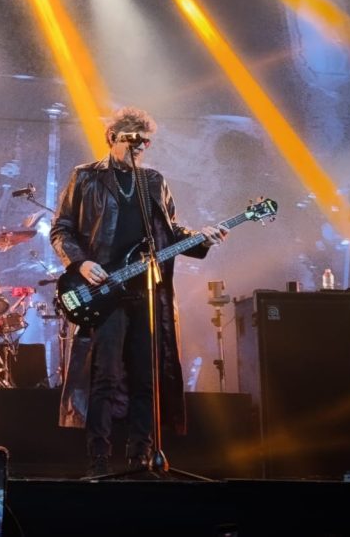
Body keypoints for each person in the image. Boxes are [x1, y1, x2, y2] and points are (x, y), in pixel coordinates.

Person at [50, 107, 228, 477]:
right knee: (105, 375)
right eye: (133, 140)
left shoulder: (153, 181)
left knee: (147, 377)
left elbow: (171, 232)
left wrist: (202, 238)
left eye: (146, 141)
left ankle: (141, 456)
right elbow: (61, 229)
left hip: (147, 290)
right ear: (112, 137)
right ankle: (99, 458)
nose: (140, 147)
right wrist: (81, 263)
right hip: (104, 291)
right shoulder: (86, 177)